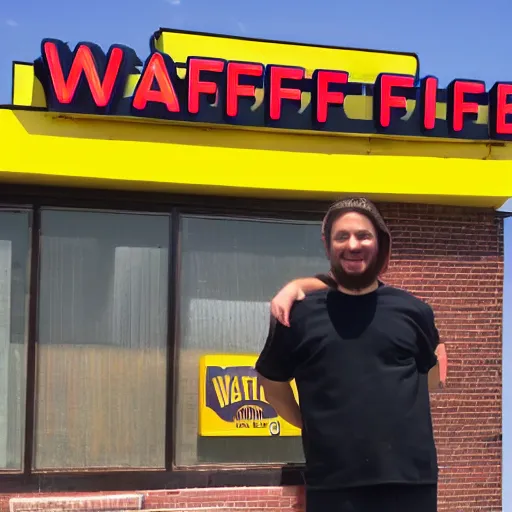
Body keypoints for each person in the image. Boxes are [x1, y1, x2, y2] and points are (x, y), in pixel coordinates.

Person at [255, 197, 446, 512]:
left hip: (411, 483)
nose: (353, 244)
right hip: (333, 485)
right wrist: (310, 423)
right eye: (341, 236)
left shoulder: (414, 311)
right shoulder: (297, 317)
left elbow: (431, 374)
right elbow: (272, 382)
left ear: (380, 243)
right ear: (327, 244)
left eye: (363, 235)